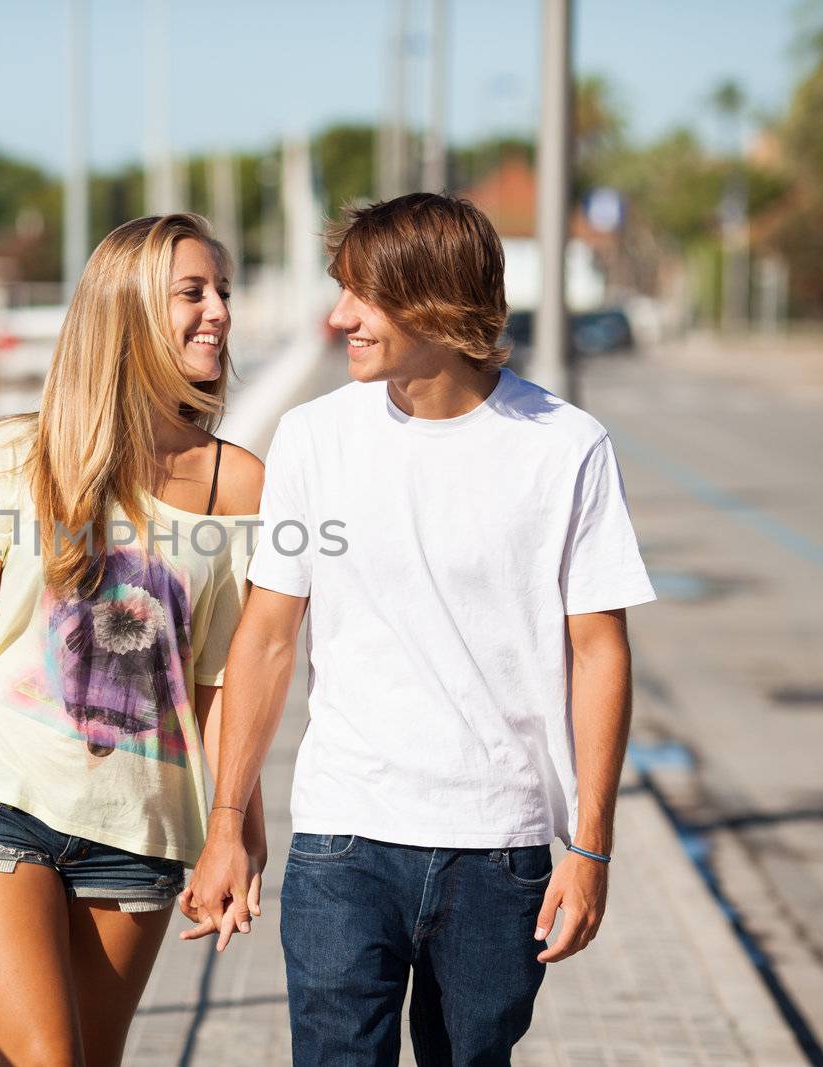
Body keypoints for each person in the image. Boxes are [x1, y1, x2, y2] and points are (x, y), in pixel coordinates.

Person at [185, 194, 656, 1066]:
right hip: (342, 838)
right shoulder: (313, 438)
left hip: (500, 848)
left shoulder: (566, 446)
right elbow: (267, 637)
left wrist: (591, 846)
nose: (338, 318)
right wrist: (225, 825)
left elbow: (599, 651)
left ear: (433, 299)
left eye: (362, 297)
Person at [0, 213, 268, 1066]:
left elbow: (215, 680)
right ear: (128, 311)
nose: (219, 312)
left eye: (224, 292)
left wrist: (235, 826)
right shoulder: (9, 456)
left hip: (140, 824)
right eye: (192, 292)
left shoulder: (236, 483)